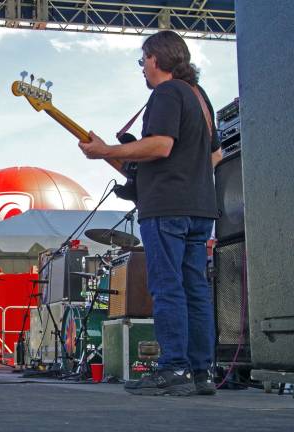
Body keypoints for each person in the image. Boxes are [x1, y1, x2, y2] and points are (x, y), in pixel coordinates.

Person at [78, 30, 222, 396]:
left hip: (167, 208)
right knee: (196, 290)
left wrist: (107, 149)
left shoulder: (167, 93)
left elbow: (160, 145)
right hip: (200, 206)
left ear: (156, 58)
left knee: (168, 286)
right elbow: (215, 156)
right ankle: (201, 373)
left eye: (143, 60)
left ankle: (173, 368)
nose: (142, 68)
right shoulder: (199, 97)